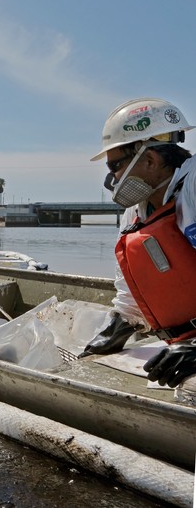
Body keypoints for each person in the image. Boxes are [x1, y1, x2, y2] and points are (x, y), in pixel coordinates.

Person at [82, 98, 196, 389]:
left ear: (149, 160)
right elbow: (132, 289)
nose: (112, 179)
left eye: (116, 166)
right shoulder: (135, 212)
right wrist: (119, 327)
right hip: (182, 343)